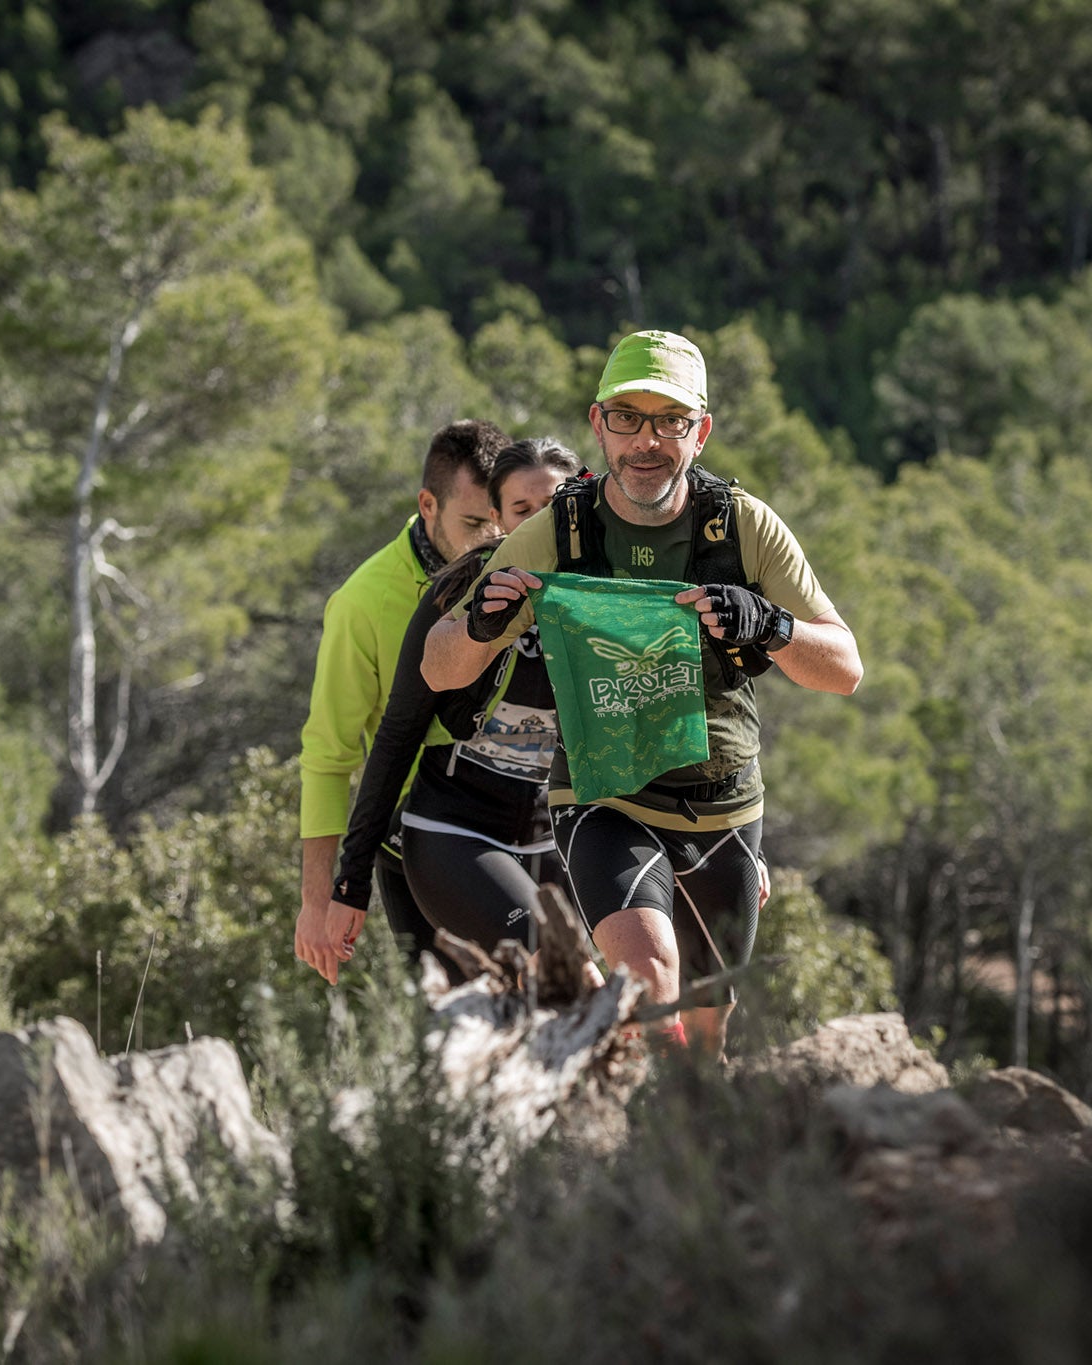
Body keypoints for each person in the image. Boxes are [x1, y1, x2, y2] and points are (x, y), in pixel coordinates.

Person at [422, 332, 863, 1056]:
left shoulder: (742, 526)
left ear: (701, 432)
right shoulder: (558, 531)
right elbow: (441, 668)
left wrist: (772, 624)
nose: (647, 441)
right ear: (598, 424)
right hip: (604, 794)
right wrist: (482, 623)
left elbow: (845, 668)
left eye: (670, 422)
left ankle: (688, 1145)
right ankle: (633, 1145)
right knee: (651, 974)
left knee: (709, 1031)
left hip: (722, 803)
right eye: (628, 418)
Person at [328, 437, 584, 964]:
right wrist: (350, 881)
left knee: (571, 989)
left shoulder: (610, 595)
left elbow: (658, 725)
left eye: (554, 506)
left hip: (549, 833)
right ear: (498, 518)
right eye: (522, 509)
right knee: (560, 966)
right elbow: (397, 733)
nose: (540, 522)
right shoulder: (459, 591)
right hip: (455, 830)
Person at [295, 418, 511, 984]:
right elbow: (328, 756)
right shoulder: (362, 603)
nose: (492, 542)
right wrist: (319, 902)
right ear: (428, 504)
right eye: (472, 524)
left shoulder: (533, 571)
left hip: (531, 826)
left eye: (501, 521)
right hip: (417, 846)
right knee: (463, 1030)